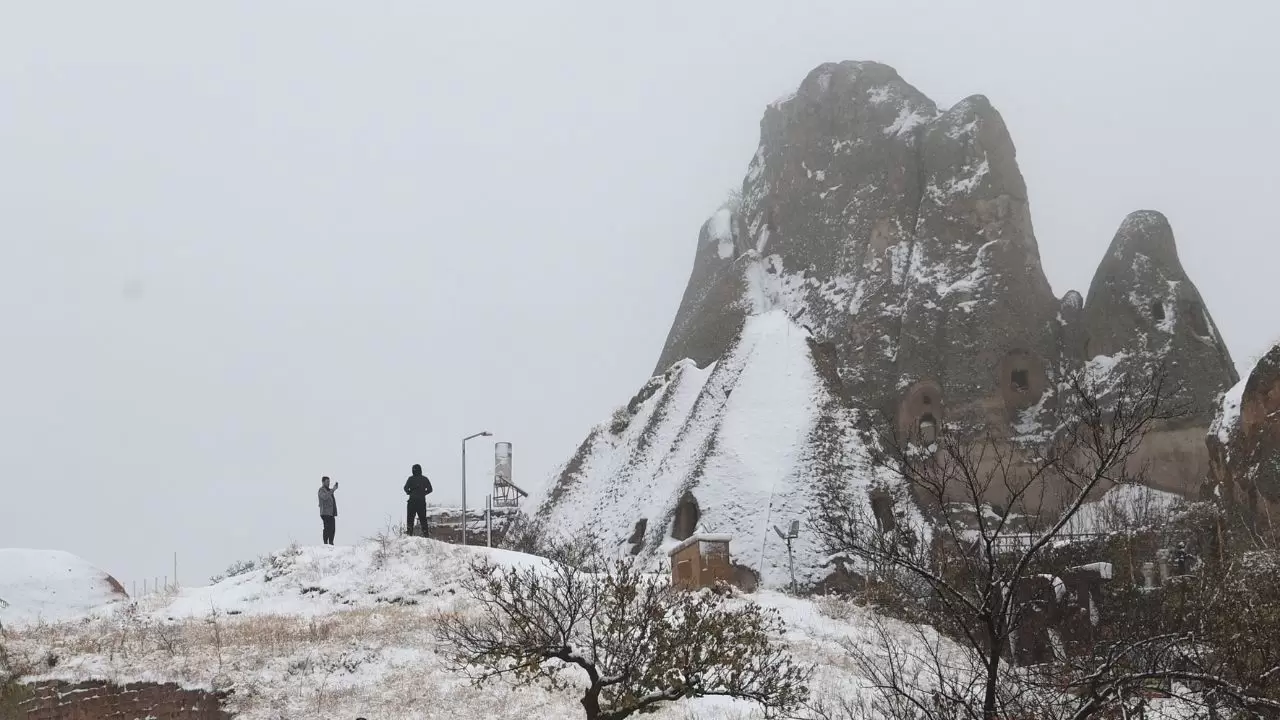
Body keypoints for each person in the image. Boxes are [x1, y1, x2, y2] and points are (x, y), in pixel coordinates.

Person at [404, 464, 433, 537]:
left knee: (410, 520)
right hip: (421, 502)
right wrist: (423, 493)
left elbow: (405, 488)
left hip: (412, 501)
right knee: (423, 519)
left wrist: (409, 492)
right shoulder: (424, 479)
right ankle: (426, 535)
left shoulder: (410, 479)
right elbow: (430, 489)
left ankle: (409, 534)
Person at [318, 476, 339, 545]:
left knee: (332, 528)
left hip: (331, 513)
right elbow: (324, 497)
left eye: (329, 482)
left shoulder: (329, 490)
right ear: (323, 482)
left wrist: (333, 489)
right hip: (325, 513)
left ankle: (331, 543)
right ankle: (325, 544)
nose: (328, 483)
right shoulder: (321, 490)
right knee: (327, 528)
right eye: (327, 482)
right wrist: (333, 490)